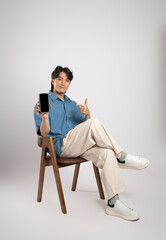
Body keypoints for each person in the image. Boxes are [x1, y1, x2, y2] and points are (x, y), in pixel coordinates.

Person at [33, 65, 149, 221]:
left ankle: (113, 203)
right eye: (59, 79)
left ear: (69, 84)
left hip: (79, 145)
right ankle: (121, 156)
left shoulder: (73, 104)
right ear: (52, 80)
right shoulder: (43, 103)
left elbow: (87, 128)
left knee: (107, 153)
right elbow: (45, 134)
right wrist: (45, 118)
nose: (63, 83)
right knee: (94, 123)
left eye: (67, 80)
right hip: (61, 147)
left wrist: (87, 114)